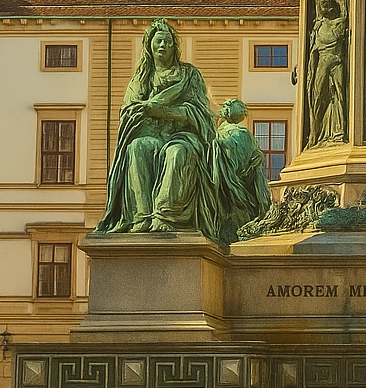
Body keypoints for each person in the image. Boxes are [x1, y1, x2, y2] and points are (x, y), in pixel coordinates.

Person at [96, 20, 218, 234]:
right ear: (149, 45)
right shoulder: (142, 78)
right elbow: (129, 109)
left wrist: (161, 110)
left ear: (174, 47)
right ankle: (141, 217)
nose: (163, 45)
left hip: (183, 135)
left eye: (168, 41)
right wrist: (141, 110)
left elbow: (200, 112)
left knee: (176, 153)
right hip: (150, 133)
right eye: (158, 41)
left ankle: (165, 216)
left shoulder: (189, 75)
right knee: (137, 148)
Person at [209, 99, 271, 243]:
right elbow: (253, 171)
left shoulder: (215, 136)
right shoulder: (245, 136)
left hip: (223, 193)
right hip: (243, 194)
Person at [306, 0, 349, 146]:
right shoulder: (318, 26)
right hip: (323, 62)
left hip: (336, 61)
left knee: (340, 95)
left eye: (325, 5)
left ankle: (340, 131)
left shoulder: (340, 23)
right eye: (321, 6)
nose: (322, 8)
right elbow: (314, 51)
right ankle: (315, 133)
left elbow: (338, 38)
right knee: (318, 96)